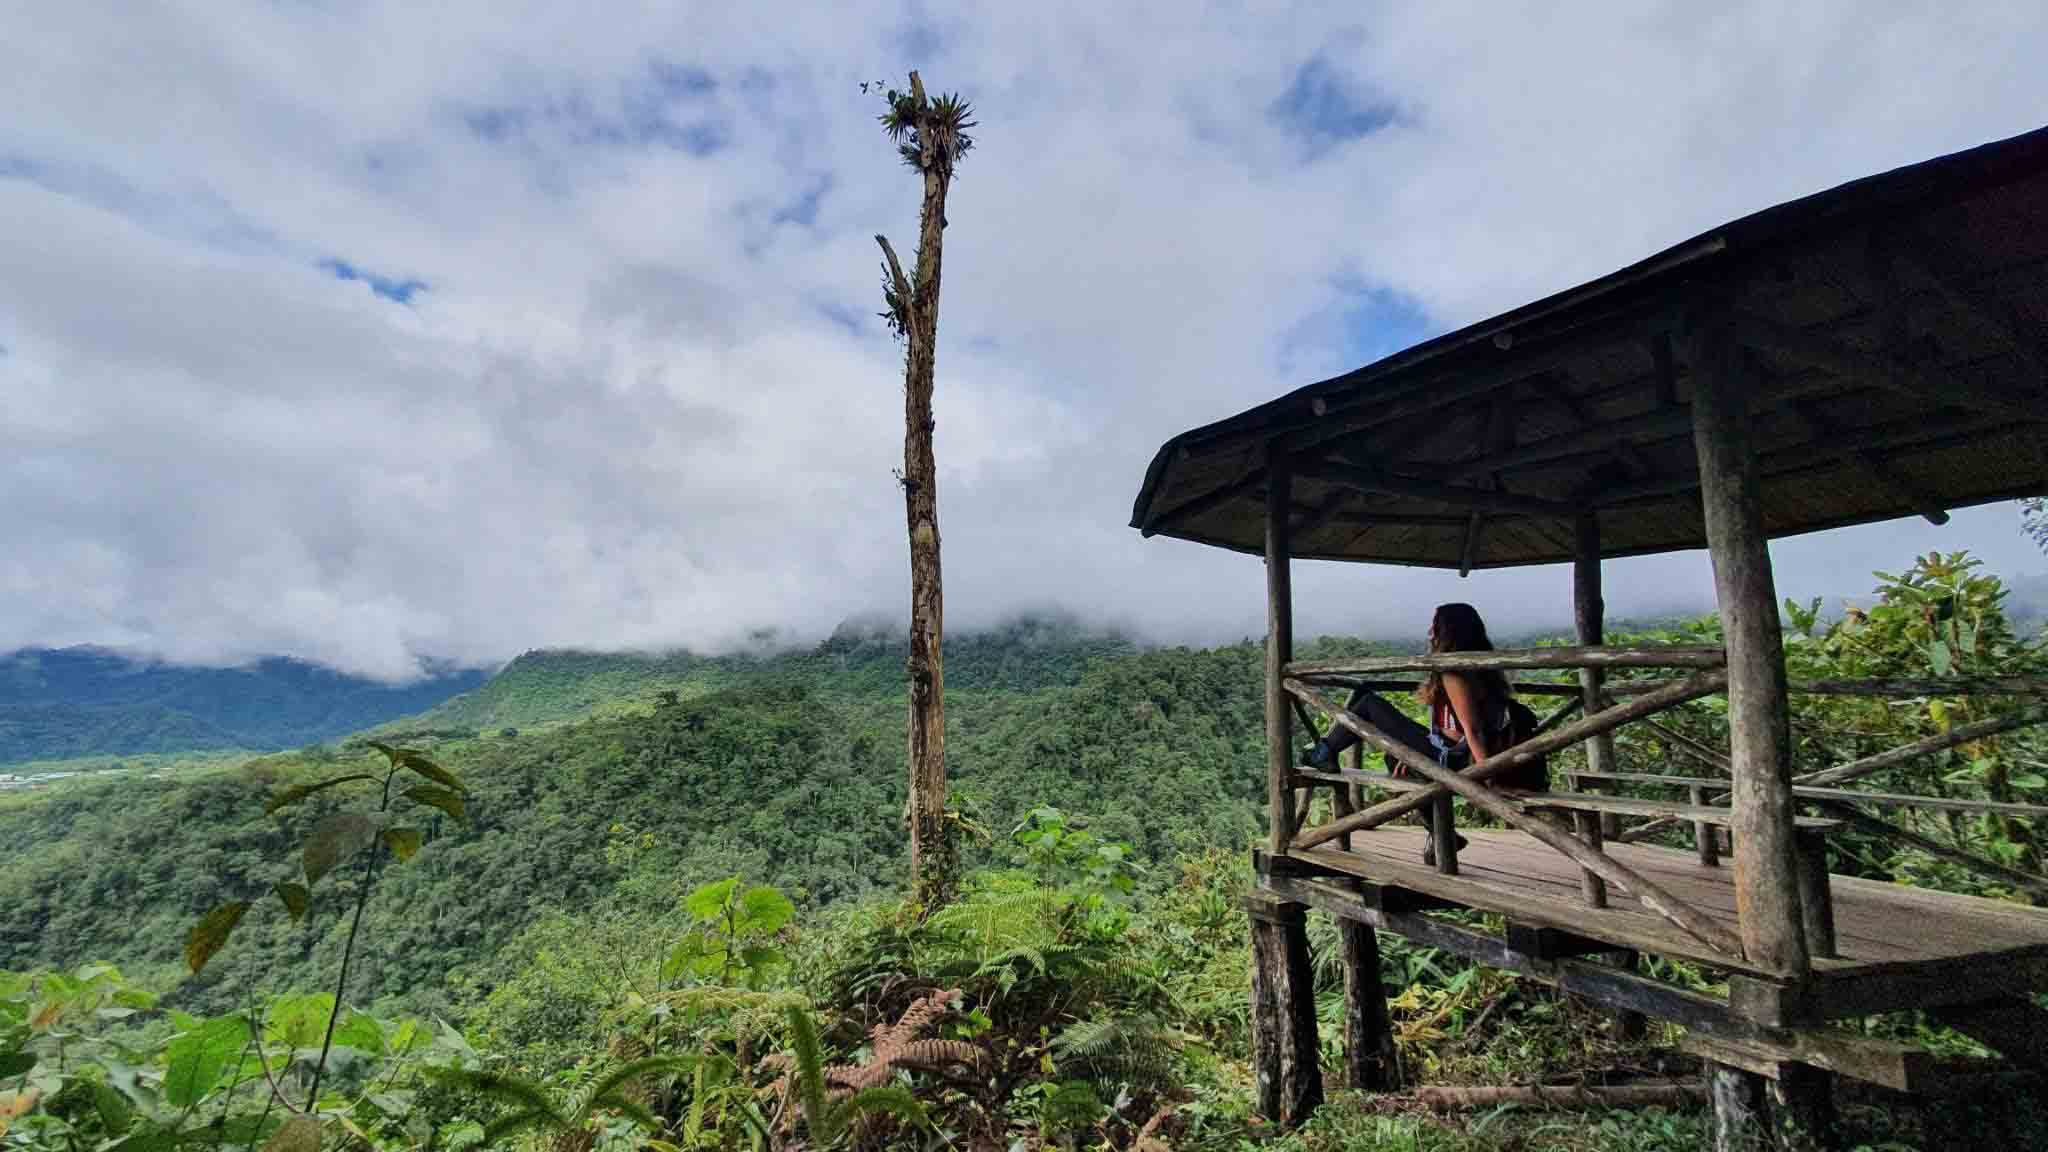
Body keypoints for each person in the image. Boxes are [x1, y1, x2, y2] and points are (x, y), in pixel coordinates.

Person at [1300, 602, 1543, 863]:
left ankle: (1324, 752)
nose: (1430, 631)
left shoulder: (1454, 671)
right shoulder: (1482, 667)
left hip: (1454, 758)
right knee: (1395, 757)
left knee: (1369, 704)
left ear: (1448, 631)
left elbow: (1473, 729)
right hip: (1454, 751)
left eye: (1435, 625)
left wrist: (1488, 778)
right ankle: (1441, 835)